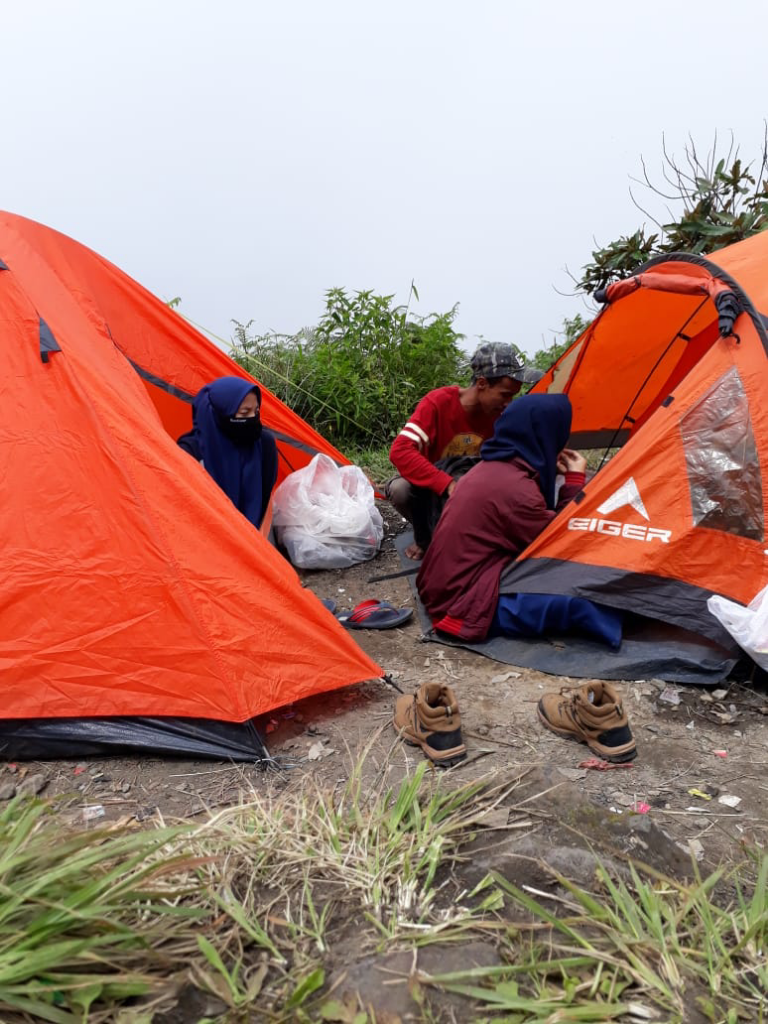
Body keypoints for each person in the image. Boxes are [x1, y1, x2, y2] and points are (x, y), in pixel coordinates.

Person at [416, 393, 623, 647]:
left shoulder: (492, 467)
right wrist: (574, 482)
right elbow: (562, 544)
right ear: (546, 435)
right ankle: (629, 621)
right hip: (462, 604)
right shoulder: (515, 489)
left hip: (446, 586)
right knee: (584, 600)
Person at [387, 342, 543, 559]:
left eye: (513, 397)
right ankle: (426, 533)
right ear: (481, 383)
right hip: (434, 491)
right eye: (505, 394)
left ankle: (460, 536)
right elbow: (400, 451)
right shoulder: (438, 403)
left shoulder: (502, 415)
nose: (509, 403)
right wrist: (447, 484)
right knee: (400, 490)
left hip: (475, 493)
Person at [177, 376, 278, 531]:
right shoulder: (191, 452)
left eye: (256, 411)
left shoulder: (265, 445)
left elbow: (264, 504)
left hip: (254, 540)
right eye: (244, 413)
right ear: (219, 415)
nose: (253, 418)